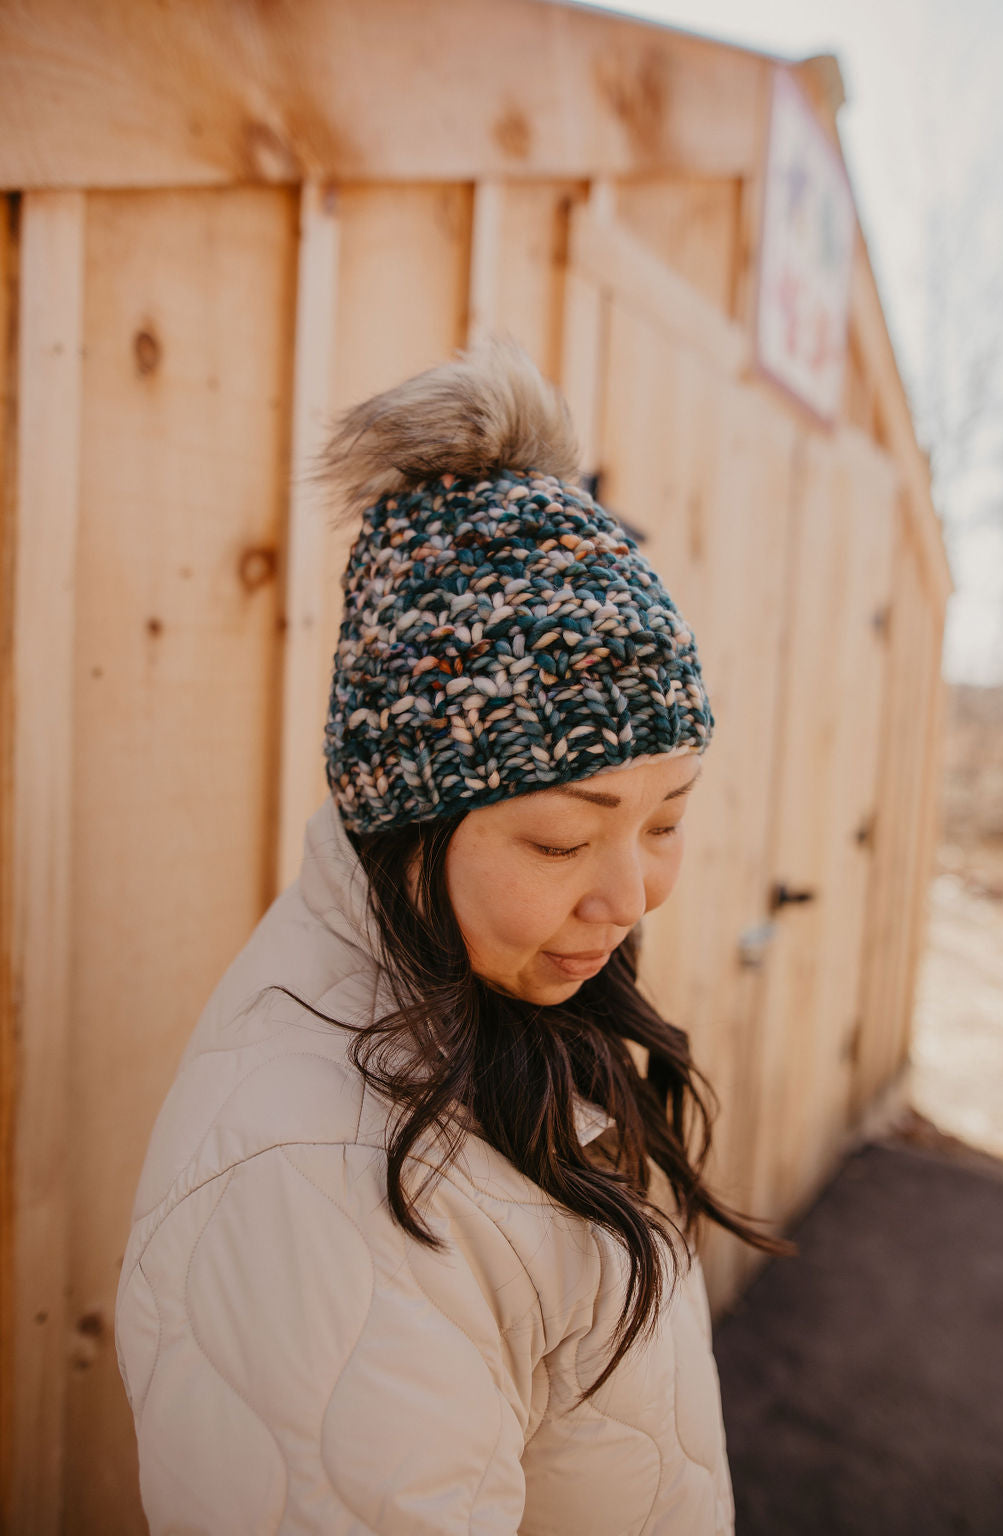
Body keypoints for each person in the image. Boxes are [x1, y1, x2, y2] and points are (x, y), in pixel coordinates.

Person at [115, 339, 783, 1534]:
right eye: (558, 842)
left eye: (666, 818)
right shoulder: (314, 1187)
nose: (628, 897)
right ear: (404, 822)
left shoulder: (505, 1000)